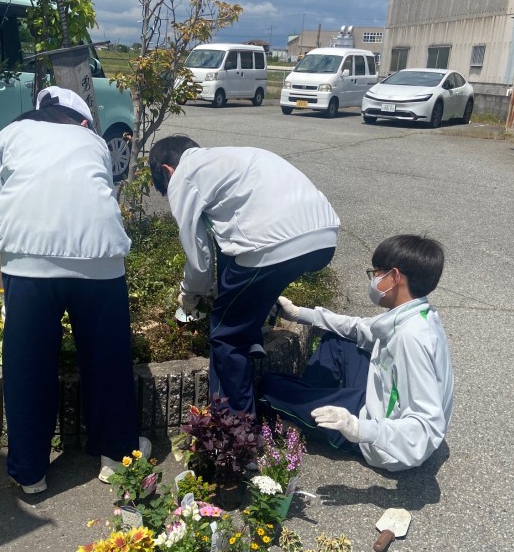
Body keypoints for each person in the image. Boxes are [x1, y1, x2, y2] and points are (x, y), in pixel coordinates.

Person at [0, 86, 149, 495]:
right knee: (107, 357)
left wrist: (7, 294)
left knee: (27, 365)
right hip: (100, 260)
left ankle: (29, 471)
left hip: (28, 261)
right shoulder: (93, 142)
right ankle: (116, 456)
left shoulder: (5, 137)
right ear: (81, 120)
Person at [148, 135, 340, 417]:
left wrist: (188, 298)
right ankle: (253, 336)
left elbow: (199, 259)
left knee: (225, 335)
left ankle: (235, 430)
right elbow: (223, 247)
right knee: (234, 263)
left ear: (167, 171)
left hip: (272, 246)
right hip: (323, 238)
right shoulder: (229, 159)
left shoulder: (183, 176)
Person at [260, 234, 454, 471]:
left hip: (386, 440)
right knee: (338, 339)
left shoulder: (410, 338)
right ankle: (314, 404)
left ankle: (314, 417)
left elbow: (426, 427)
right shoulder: (418, 314)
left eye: (376, 273)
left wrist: (357, 428)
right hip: (381, 400)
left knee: (268, 389)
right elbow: (359, 328)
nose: (373, 280)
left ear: (394, 277)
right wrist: (301, 313)